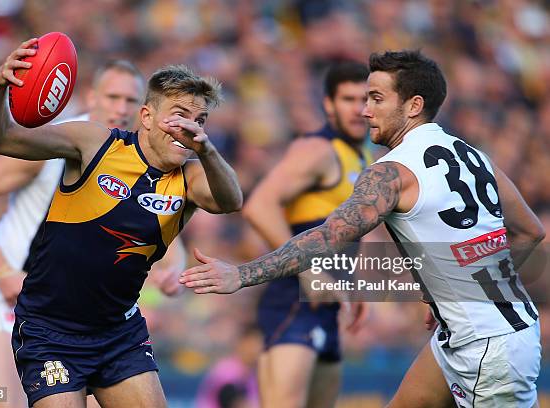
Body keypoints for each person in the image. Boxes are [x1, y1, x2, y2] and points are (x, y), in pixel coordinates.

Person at [181, 50, 544, 408]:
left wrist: (240, 274)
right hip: (486, 331)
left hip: (489, 347)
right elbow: (530, 232)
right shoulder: (475, 155)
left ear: (413, 105)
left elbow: (325, 238)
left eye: (376, 98)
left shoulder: (391, 171)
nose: (365, 110)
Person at [0, 38, 242, 408]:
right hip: (50, 330)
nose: (189, 127)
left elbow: (231, 201)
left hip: (118, 333)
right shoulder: (94, 143)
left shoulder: (191, 177)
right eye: (178, 115)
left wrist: (207, 149)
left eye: (199, 120)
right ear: (146, 117)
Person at [0, 59, 160, 408]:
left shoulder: (134, 159)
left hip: (62, 309)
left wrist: (168, 274)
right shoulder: (56, 144)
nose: (120, 109)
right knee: (5, 403)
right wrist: (3, 271)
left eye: (129, 101)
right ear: (91, 96)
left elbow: (166, 235)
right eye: (112, 97)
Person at [241, 62, 370, 407]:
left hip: (324, 308)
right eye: (349, 99)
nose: (359, 109)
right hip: (292, 303)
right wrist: (308, 271)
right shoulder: (317, 150)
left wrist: (351, 283)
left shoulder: (359, 156)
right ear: (329, 104)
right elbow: (258, 206)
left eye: (367, 99)